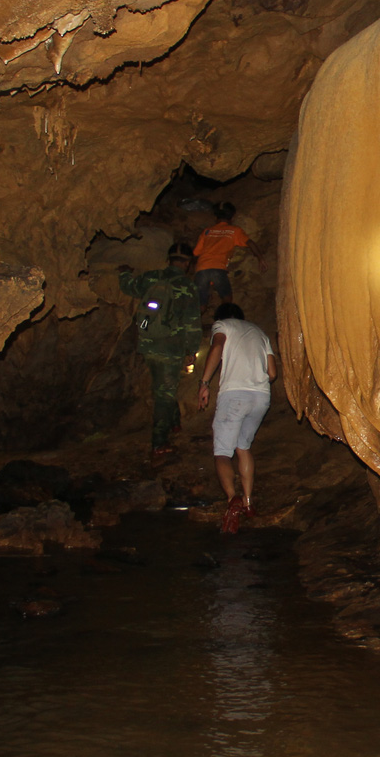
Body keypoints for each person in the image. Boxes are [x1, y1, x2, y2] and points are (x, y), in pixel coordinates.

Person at [196, 301, 276, 530]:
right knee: (243, 447)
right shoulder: (260, 333)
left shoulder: (222, 326)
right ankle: (249, 503)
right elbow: (272, 373)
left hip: (234, 395)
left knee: (222, 452)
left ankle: (233, 499)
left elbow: (217, 348)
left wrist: (204, 383)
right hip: (261, 397)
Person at [118, 245, 202, 460]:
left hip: (148, 344)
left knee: (164, 386)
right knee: (165, 394)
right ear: (187, 264)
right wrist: (191, 351)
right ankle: (159, 443)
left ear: (168, 259)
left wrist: (124, 272)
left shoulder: (152, 278)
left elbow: (129, 287)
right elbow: (192, 322)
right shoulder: (187, 286)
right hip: (170, 349)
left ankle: (174, 424)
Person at [190, 202, 250, 322]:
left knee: (201, 305)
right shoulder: (234, 230)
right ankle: (225, 322)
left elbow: (196, 253)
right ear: (232, 218)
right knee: (227, 299)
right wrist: (260, 258)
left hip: (202, 268)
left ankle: (191, 326)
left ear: (215, 217)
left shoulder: (207, 231)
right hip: (218, 268)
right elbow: (250, 243)